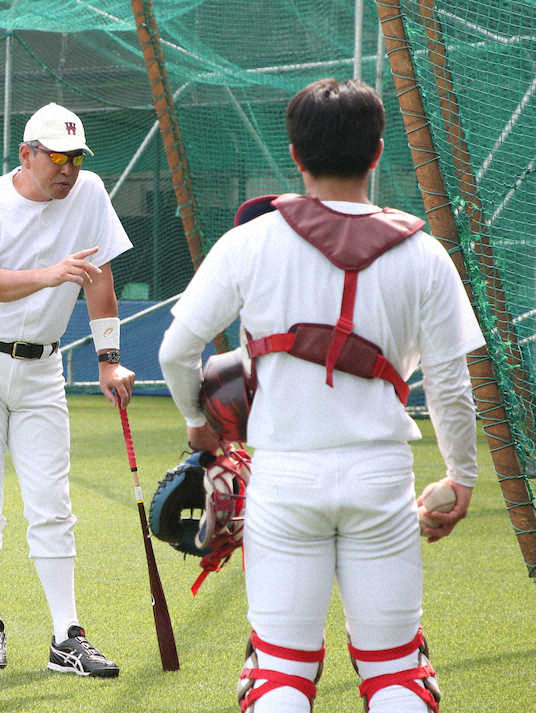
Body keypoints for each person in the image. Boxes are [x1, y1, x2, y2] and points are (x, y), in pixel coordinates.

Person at [158, 78, 484, 713]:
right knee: (397, 674)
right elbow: (451, 384)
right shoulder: (425, 254)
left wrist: (200, 422)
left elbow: (175, 352)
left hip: (284, 477)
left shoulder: (249, 242)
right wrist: (461, 476)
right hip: (380, 478)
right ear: (378, 151)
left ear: (296, 155)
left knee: (279, 674)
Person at [0, 102, 135, 677]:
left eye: (74, 157)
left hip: (43, 368)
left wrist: (108, 360)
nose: (66, 169)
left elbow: (100, 279)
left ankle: (65, 636)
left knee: (53, 504)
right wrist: (50, 274)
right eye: (55, 156)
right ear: (26, 155)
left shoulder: (90, 192)